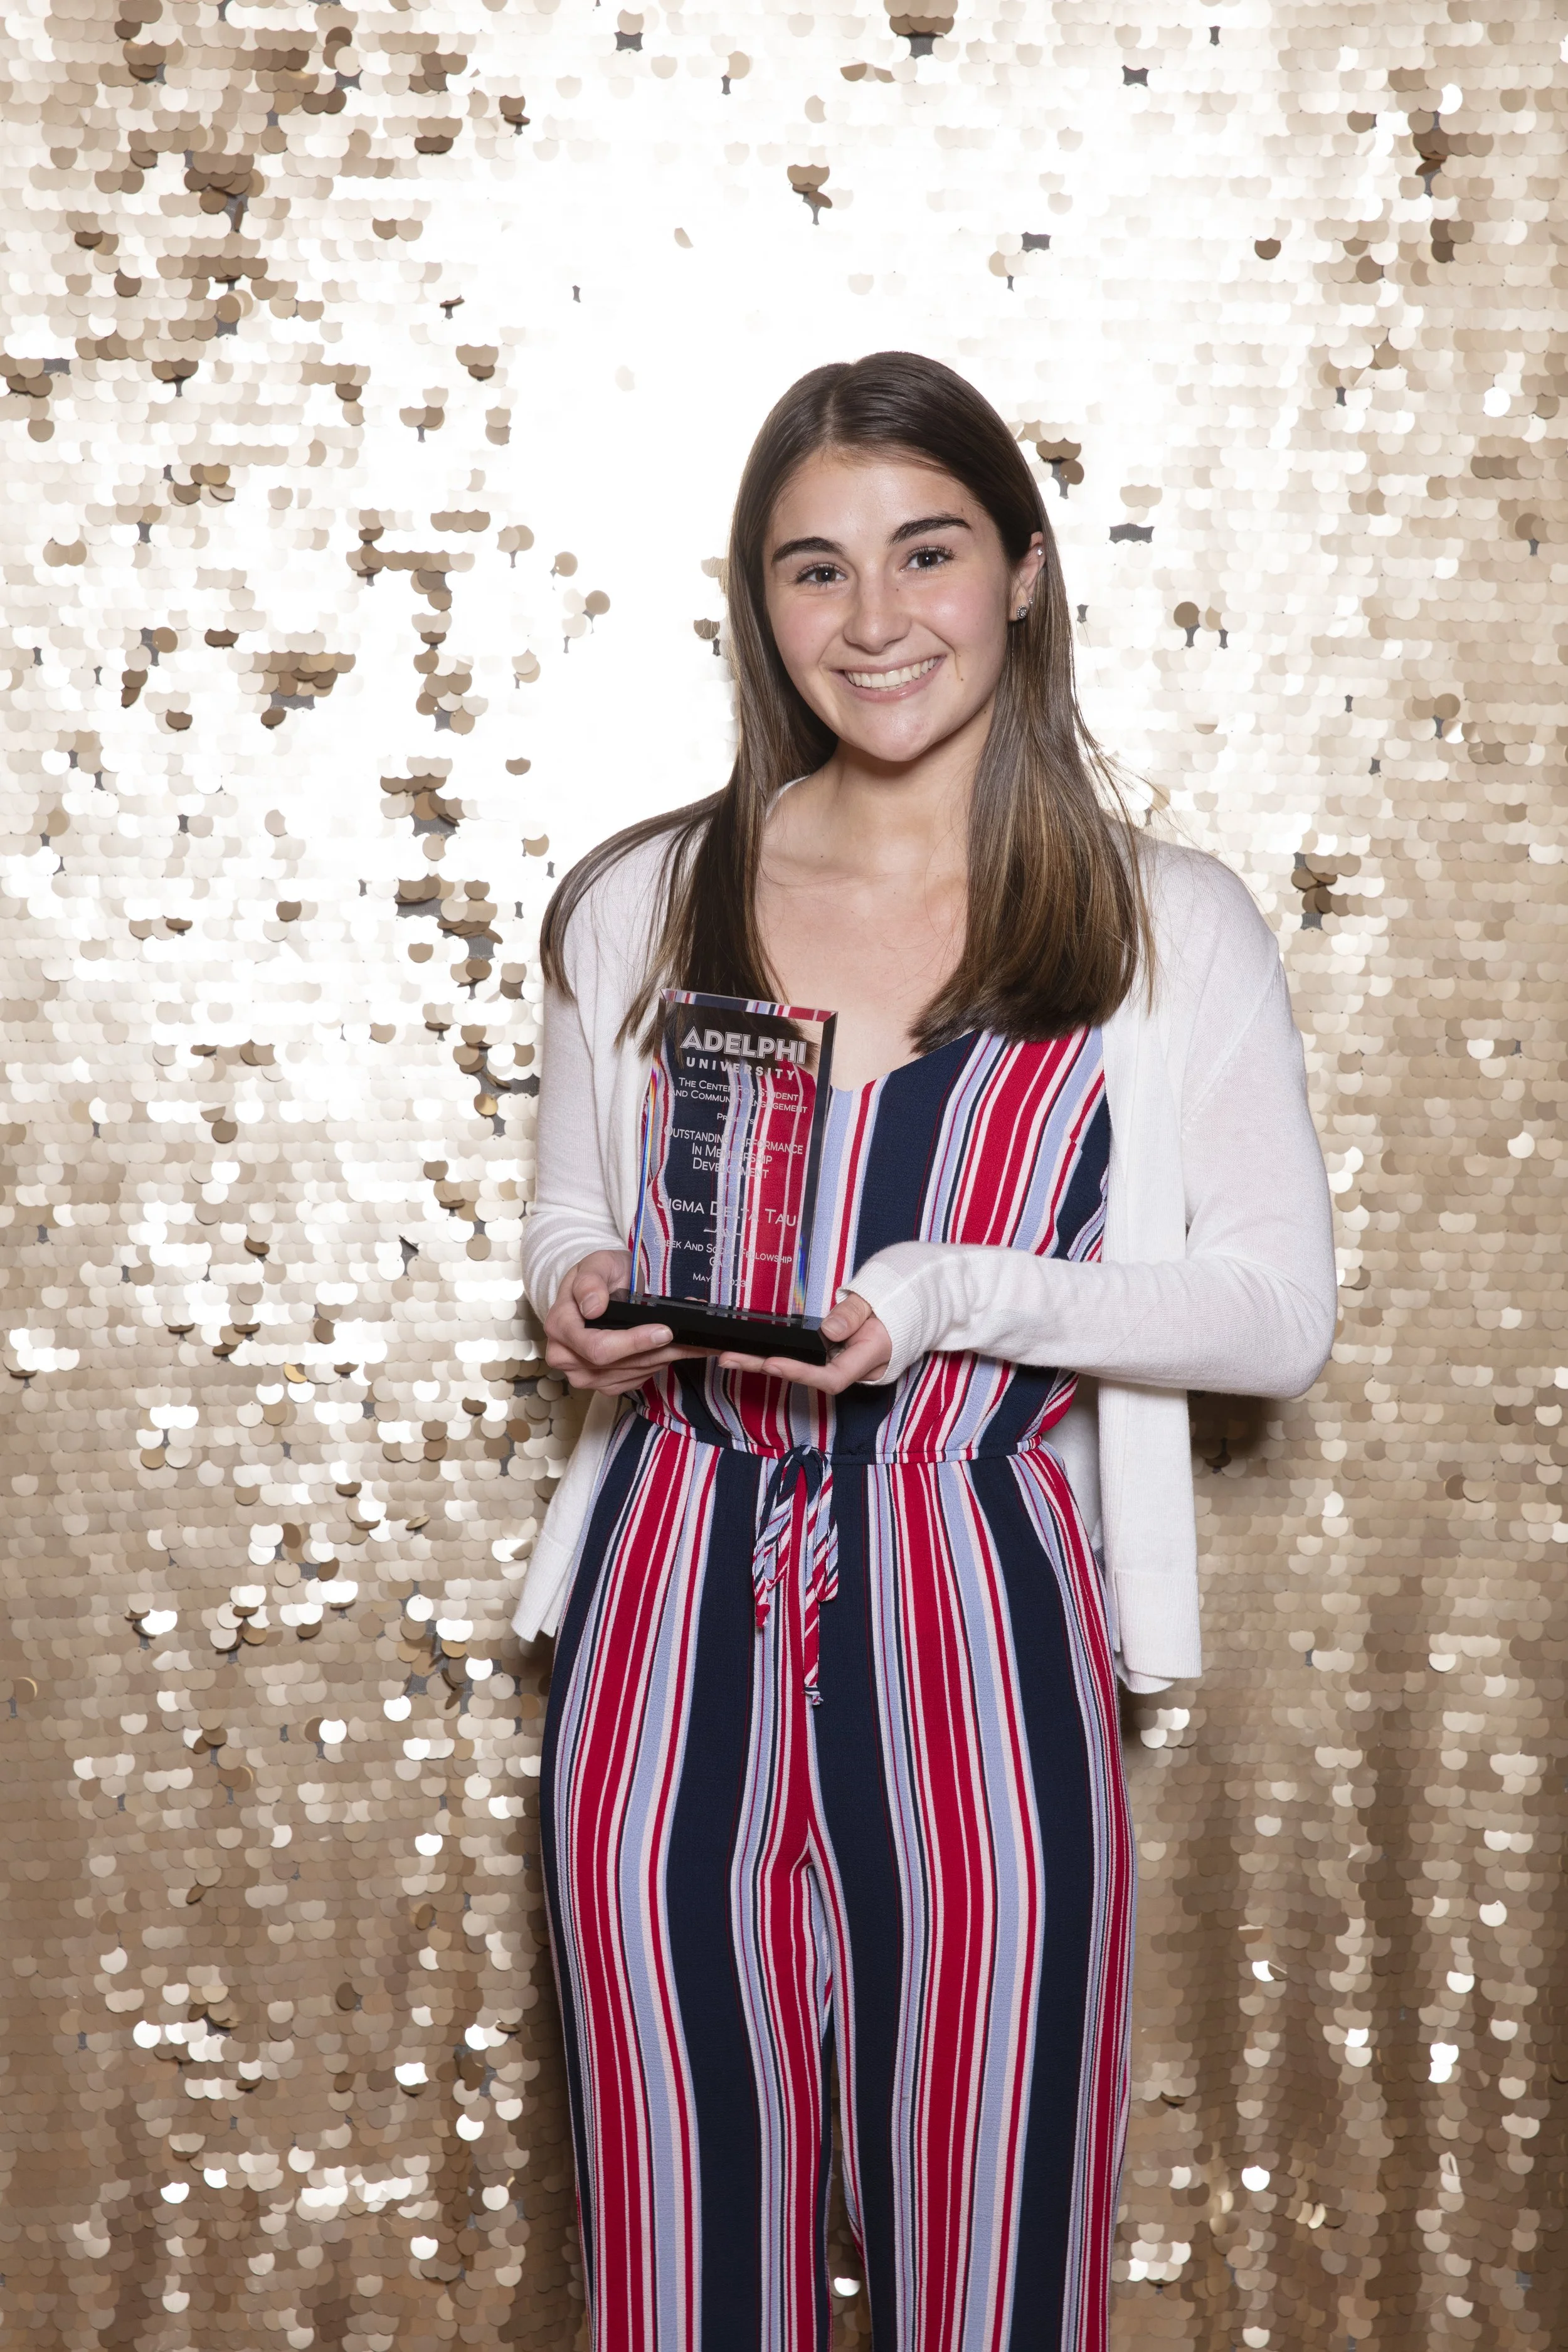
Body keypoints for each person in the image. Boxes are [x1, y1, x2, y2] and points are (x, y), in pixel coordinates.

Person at [512, 352, 1336, 2352]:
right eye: (812, 569)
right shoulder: (642, 900)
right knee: (681, 2209)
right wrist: (581, 1289)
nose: (872, 620)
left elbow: (1273, 1317)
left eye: (926, 551)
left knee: (987, 2208)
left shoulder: (1161, 925)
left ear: (1026, 573)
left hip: (973, 1584)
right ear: (757, 603)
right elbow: (561, 1213)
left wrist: (953, 1292)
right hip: (670, 1586)